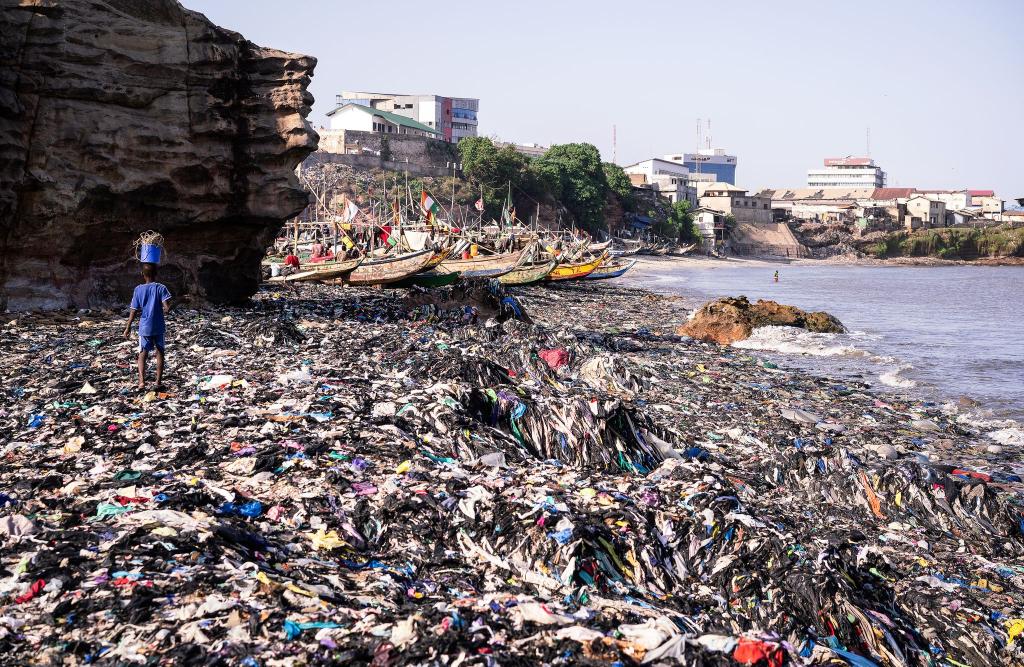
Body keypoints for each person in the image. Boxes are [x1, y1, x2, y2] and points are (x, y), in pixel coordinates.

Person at [123, 263, 172, 389]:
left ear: (142, 274)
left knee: (142, 354)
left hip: (144, 326)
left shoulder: (138, 289)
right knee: (160, 352)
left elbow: (133, 310)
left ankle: (141, 382)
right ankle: (158, 382)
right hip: (158, 326)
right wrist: (181, 300)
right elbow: (167, 309)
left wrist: (128, 327)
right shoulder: (161, 288)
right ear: (156, 274)